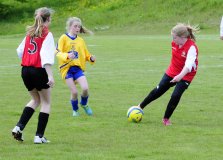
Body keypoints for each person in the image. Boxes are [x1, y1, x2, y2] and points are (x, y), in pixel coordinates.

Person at [137, 23, 200, 126]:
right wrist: (175, 74)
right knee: (158, 90)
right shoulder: (174, 43)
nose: (173, 39)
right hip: (172, 71)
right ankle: (139, 107)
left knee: (175, 95)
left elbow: (188, 65)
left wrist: (180, 76)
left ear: (182, 37)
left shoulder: (192, 47)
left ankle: (166, 119)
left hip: (186, 74)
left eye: (174, 37)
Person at [12, 7, 55, 143]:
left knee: (36, 100)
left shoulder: (30, 33)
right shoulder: (47, 34)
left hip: (25, 70)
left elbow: (19, 51)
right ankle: (39, 136)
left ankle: (18, 127)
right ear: (48, 18)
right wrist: (50, 76)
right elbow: (46, 57)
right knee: (46, 102)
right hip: (38, 70)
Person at [56, 17, 96, 117]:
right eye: (75, 26)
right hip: (66, 69)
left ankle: (84, 104)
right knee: (74, 92)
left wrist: (91, 58)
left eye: (79, 26)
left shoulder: (81, 40)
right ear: (70, 27)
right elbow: (57, 52)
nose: (77, 28)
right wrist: (67, 56)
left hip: (77, 69)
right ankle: (75, 110)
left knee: (85, 88)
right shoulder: (63, 38)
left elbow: (86, 54)